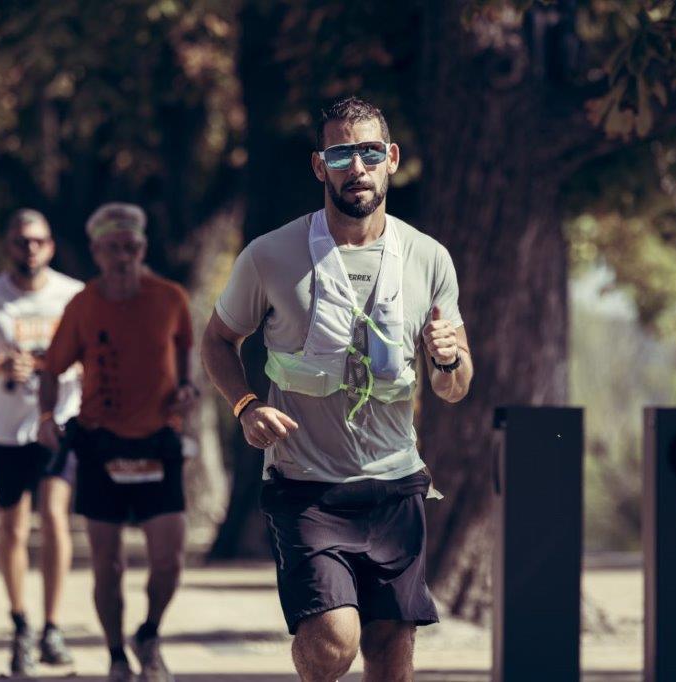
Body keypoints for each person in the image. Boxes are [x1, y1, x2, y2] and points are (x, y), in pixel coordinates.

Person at [201, 96, 473, 682]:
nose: (357, 167)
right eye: (341, 154)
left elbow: (453, 386)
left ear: (391, 158)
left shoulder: (429, 258)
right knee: (333, 641)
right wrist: (245, 405)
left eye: (369, 152)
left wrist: (449, 359)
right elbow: (218, 339)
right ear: (319, 165)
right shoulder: (270, 255)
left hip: (396, 485)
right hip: (306, 485)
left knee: (391, 650)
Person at [38, 202, 197, 682]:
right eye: (112, 249)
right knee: (107, 566)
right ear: (96, 252)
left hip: (158, 444)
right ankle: (115, 656)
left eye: (131, 247)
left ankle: (149, 633)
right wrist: (46, 418)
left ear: (143, 249)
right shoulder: (83, 305)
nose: (123, 257)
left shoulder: (170, 298)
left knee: (169, 560)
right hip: (100, 443)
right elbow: (51, 368)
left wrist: (187, 394)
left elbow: (185, 366)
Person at [0, 208, 83, 676]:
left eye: (38, 241)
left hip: (60, 424)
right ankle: (21, 622)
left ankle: (53, 627)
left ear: (51, 246)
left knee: (55, 518)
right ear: (8, 245)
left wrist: (59, 365)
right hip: (5, 430)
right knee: (12, 528)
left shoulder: (74, 295)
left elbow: (98, 358)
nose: (30, 249)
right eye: (22, 241)